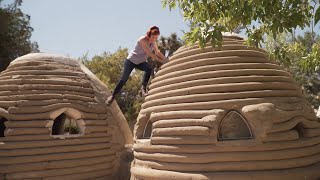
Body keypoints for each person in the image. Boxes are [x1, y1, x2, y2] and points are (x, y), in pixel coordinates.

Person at [106, 26, 167, 105]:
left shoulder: (154, 42)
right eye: (153, 37)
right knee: (124, 79)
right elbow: (150, 53)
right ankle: (112, 96)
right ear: (149, 35)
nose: (154, 39)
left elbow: (157, 52)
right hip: (131, 61)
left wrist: (166, 59)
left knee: (149, 69)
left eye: (156, 38)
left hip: (140, 62)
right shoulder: (142, 39)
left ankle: (143, 88)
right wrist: (162, 61)